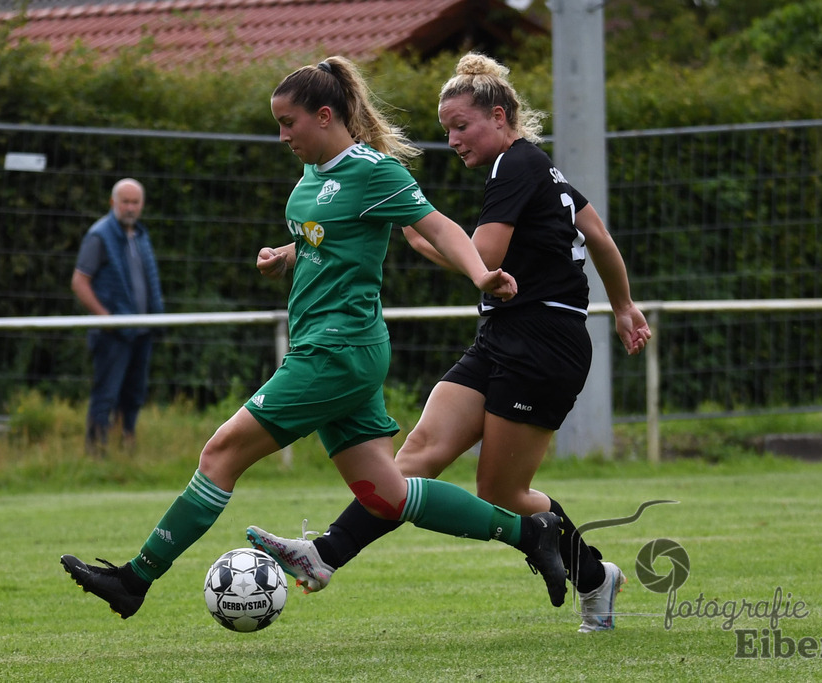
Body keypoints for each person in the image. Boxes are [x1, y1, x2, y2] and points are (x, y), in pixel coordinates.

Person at [60, 55, 571, 620]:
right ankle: (532, 534)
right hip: (334, 348)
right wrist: (289, 254)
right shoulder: (312, 176)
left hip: (336, 349)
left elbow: (441, 227)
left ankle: (136, 579)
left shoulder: (375, 172)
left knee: (220, 453)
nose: (282, 136)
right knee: (388, 494)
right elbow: (326, 241)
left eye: (288, 123)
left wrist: (480, 274)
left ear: (324, 115)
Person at [247, 52, 652, 633]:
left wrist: (417, 234)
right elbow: (600, 238)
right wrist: (623, 305)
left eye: (462, 127)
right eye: (446, 131)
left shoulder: (517, 164)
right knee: (414, 458)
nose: (454, 140)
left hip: (544, 342)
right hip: (502, 335)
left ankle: (595, 577)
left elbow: (482, 257)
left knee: (501, 490)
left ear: (500, 114)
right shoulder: (541, 169)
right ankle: (324, 555)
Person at [71, 178, 164, 454]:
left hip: (142, 330)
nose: (130, 208)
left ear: (142, 205)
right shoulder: (99, 235)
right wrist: (106, 318)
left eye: (135, 202)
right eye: (125, 202)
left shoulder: (141, 235)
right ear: (113, 203)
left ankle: (126, 445)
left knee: (134, 394)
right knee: (106, 393)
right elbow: (79, 281)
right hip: (112, 334)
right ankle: (95, 451)